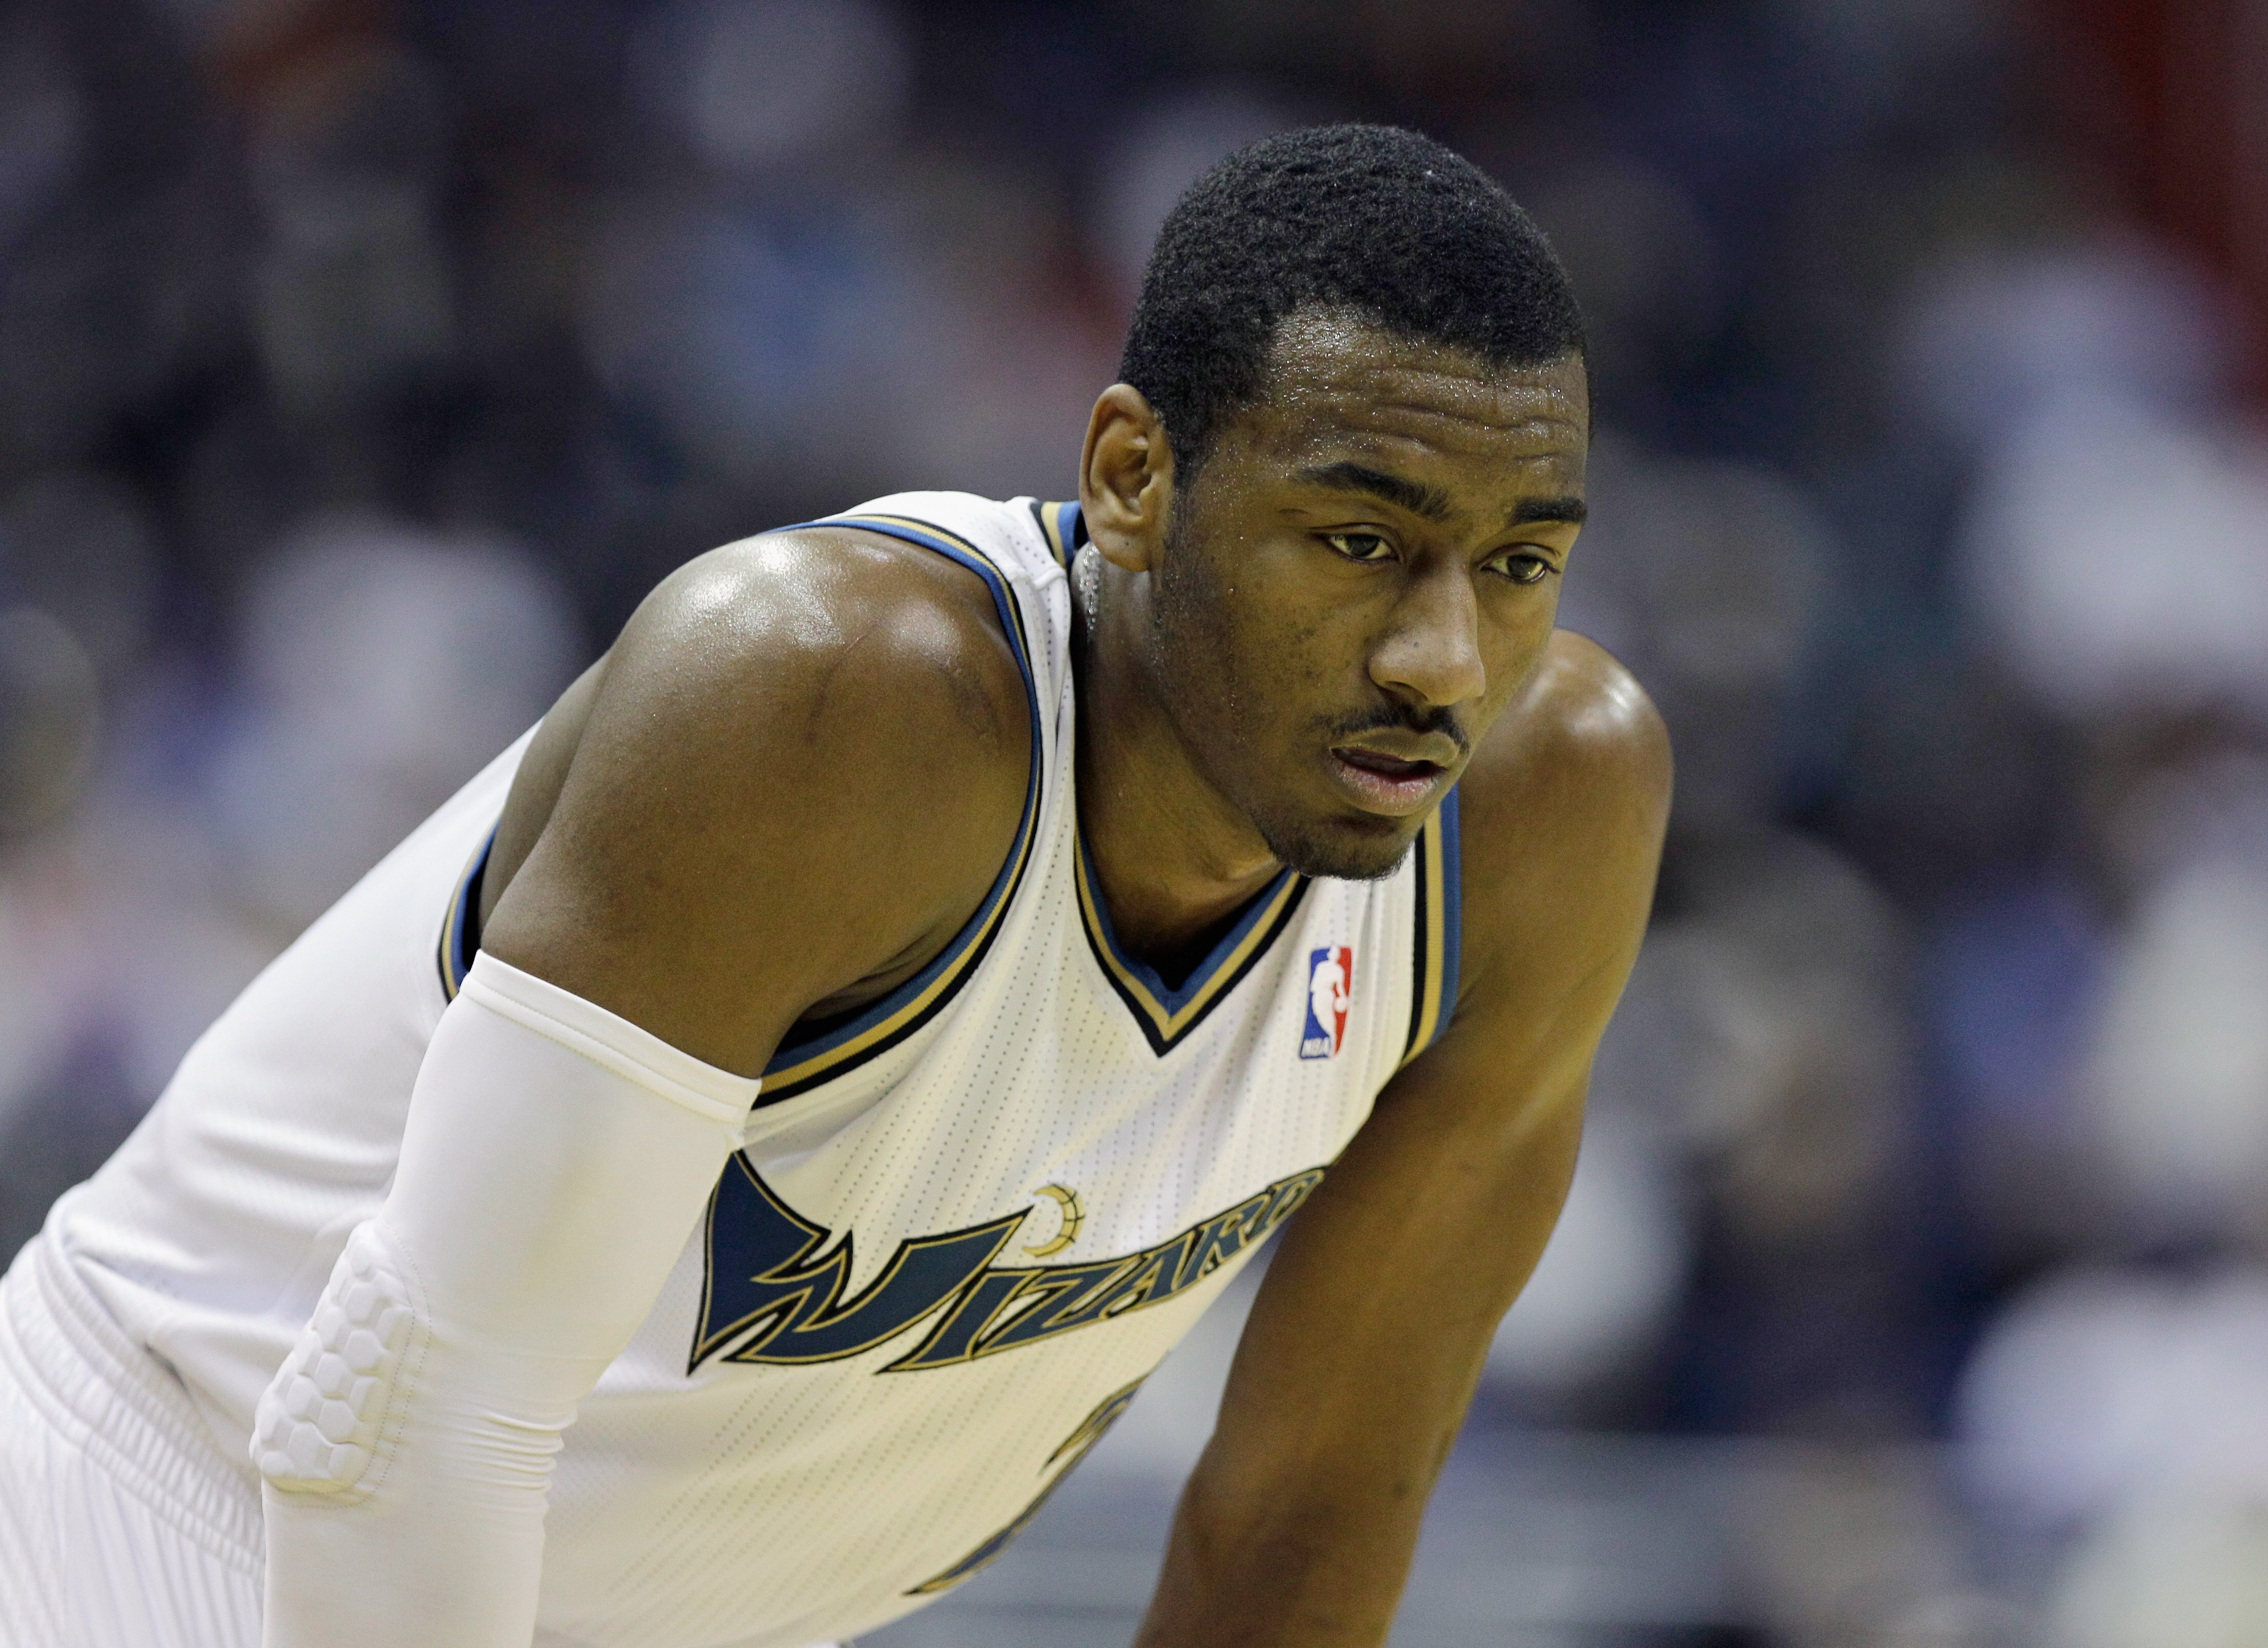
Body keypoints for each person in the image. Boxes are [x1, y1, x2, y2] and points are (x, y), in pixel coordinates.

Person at [0, 125, 1668, 1648]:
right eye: (1359, 542)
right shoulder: (823, 703)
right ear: (1132, 479)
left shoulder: (1543, 808)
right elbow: (411, 1428)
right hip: (174, 1522)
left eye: (1518, 564)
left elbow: (1302, 1510)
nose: (1442, 658)